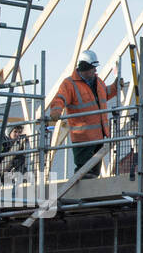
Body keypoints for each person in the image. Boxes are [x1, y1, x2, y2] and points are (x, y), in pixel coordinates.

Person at [48, 50, 122, 178]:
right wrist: (56, 111)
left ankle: (89, 195)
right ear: (84, 68)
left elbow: (104, 94)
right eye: (92, 69)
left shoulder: (97, 81)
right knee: (84, 170)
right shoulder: (70, 84)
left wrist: (115, 87)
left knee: (94, 172)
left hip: (99, 135)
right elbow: (59, 99)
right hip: (83, 137)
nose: (94, 71)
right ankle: (80, 194)